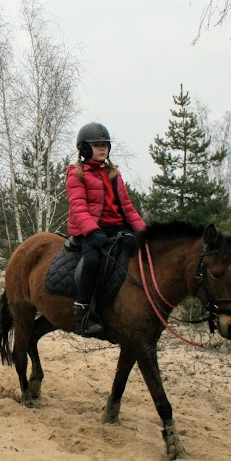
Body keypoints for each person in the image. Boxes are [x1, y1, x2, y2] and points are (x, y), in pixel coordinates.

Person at [67, 122, 146, 337]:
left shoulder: (114, 174)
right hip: (90, 230)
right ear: (84, 148)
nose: (102, 148)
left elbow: (128, 208)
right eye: (97, 145)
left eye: (105, 145)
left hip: (117, 228)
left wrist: (144, 233)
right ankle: (83, 312)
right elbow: (79, 207)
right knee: (92, 260)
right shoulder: (76, 173)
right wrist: (92, 232)